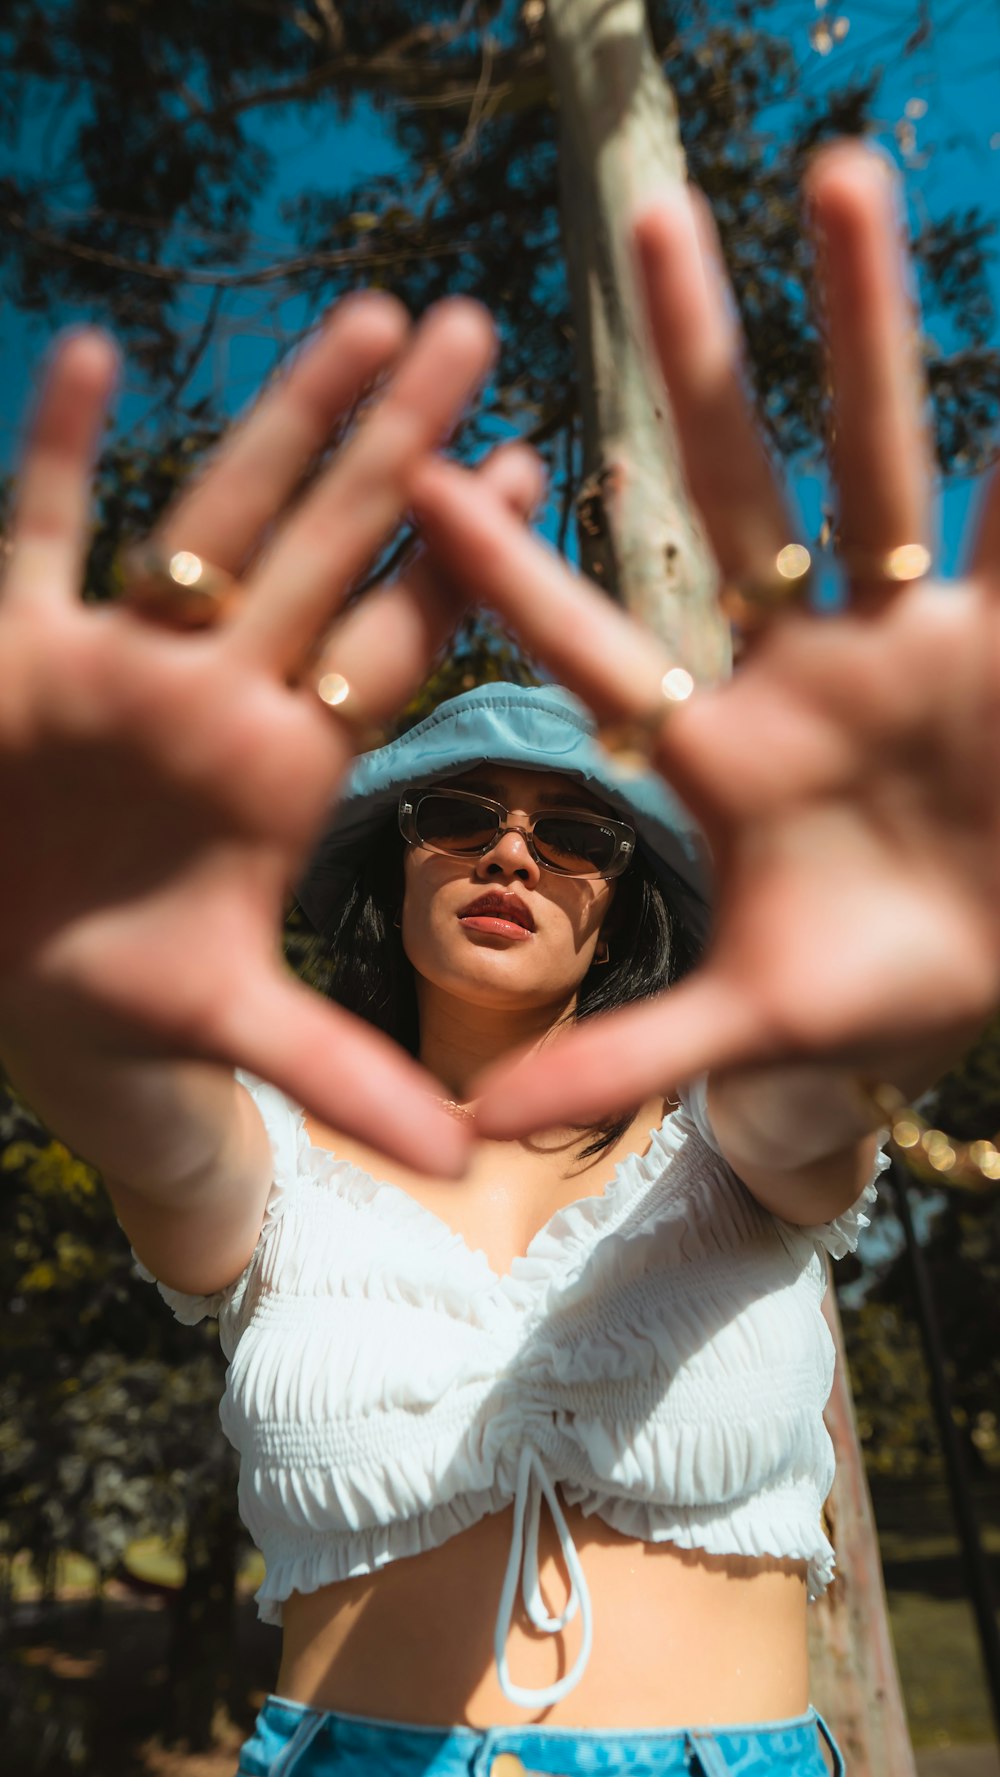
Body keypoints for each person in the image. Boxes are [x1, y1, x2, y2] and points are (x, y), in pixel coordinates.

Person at [2, 135, 999, 1775]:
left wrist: (890, 969)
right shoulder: (269, 1153)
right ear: (389, 866)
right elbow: (133, 1103)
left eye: (579, 828)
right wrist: (56, 974)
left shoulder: (721, 1130)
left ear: (622, 898)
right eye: (457, 808)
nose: (515, 846)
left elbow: (813, 1100)